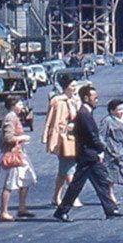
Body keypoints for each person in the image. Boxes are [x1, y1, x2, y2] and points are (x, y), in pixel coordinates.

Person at [53, 86, 123, 222]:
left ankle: (110, 209)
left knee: (101, 182)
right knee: (77, 185)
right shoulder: (84, 114)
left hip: (88, 155)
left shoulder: (85, 112)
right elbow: (92, 136)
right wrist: (101, 148)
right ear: (86, 98)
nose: (96, 100)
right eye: (94, 97)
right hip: (87, 156)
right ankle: (62, 211)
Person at [0, 95, 36, 221]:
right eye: (20, 104)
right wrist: (23, 138)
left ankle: (22, 207)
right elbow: (8, 138)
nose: (22, 106)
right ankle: (4, 212)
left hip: (19, 153)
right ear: (13, 105)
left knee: (26, 179)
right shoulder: (10, 118)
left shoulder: (14, 117)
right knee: (9, 183)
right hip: (12, 155)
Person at [41, 74, 82, 206]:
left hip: (75, 137)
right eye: (72, 86)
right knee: (69, 168)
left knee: (63, 171)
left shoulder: (76, 100)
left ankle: (56, 197)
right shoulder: (58, 101)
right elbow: (50, 120)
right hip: (62, 138)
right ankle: (72, 197)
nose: (75, 88)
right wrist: (46, 135)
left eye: (76, 85)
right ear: (66, 87)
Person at [99, 98, 123, 205]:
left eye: (122, 109)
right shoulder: (107, 121)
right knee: (109, 175)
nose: (121, 112)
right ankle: (110, 196)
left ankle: (109, 195)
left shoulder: (122, 119)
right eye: (119, 109)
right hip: (110, 153)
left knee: (116, 173)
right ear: (112, 110)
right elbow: (101, 136)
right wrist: (103, 150)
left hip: (121, 152)